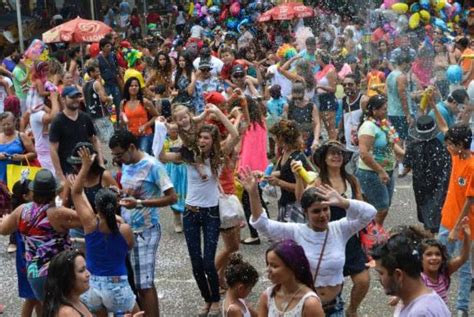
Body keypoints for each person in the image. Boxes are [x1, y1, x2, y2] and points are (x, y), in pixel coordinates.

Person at [238, 167, 376, 316]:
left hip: (335, 308)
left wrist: (343, 202)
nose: (323, 215)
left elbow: (370, 213)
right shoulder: (296, 231)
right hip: (305, 309)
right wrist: (253, 193)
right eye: (316, 211)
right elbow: (262, 224)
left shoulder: (340, 228)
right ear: (305, 212)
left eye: (326, 209)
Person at [160, 104, 239, 316]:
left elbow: (235, 133)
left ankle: (215, 298)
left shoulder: (219, 155)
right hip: (190, 213)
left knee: (208, 262)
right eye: (200, 138)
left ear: (213, 141)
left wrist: (217, 112)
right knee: (196, 264)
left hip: (212, 213)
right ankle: (208, 299)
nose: (202, 141)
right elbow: (162, 157)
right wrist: (161, 130)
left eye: (206, 138)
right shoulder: (188, 156)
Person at [294, 140, 369, 317]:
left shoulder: (351, 180)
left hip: (349, 235)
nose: (336, 156)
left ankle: (352, 309)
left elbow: (360, 205)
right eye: (332, 153)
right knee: (334, 281)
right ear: (324, 158)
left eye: (339, 153)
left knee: (363, 280)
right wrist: (298, 178)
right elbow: (302, 200)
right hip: (325, 235)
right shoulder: (318, 181)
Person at [109, 129, 177, 317]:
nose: (117, 159)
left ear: (131, 147)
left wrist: (139, 203)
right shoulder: (127, 164)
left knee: (144, 284)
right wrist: (121, 193)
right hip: (127, 231)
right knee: (133, 282)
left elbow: (172, 198)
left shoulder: (153, 166)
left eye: (119, 154)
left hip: (146, 231)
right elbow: (134, 192)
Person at [70, 146, 139, 315]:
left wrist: (85, 166)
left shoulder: (90, 225)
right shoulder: (125, 229)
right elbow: (128, 247)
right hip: (118, 285)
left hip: (93, 286)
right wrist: (119, 219)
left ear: (97, 207)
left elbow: (76, 192)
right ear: (116, 206)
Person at [0, 169, 82, 303]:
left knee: (48, 309)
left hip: (34, 274)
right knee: (65, 308)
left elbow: (3, 230)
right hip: (58, 270)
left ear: (33, 192)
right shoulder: (57, 213)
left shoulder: (22, 210)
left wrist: (5, 218)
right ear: (54, 192)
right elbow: (88, 220)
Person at [436, 124, 474, 317]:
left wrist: (456, 228)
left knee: (465, 266)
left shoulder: (472, 166)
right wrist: (433, 104)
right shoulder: (456, 155)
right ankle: (436, 297)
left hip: (466, 226)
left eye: (450, 144)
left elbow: (470, 200)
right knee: (437, 260)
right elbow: (443, 126)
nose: (447, 147)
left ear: (460, 144)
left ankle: (462, 307)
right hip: (447, 220)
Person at [371, 229, 450, 316]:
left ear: (398, 275)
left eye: (381, 273)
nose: (379, 279)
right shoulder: (415, 303)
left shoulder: (420, 313)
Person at [356, 94, 404, 227]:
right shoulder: (368, 127)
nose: (386, 111)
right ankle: (373, 238)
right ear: (374, 110)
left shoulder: (383, 124)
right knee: (381, 208)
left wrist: (406, 155)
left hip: (386, 171)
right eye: (383, 109)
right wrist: (380, 171)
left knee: (384, 206)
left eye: (386, 108)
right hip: (372, 173)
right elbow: (364, 154)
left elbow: (391, 145)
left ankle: (372, 232)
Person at [401, 115, 451, 235]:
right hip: (439, 186)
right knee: (437, 211)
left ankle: (430, 237)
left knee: (426, 212)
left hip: (421, 187)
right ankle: (436, 235)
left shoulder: (412, 147)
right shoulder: (442, 146)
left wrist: (402, 172)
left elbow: (406, 168)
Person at [49, 86, 102, 183]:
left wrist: (100, 162)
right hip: (70, 172)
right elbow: (53, 150)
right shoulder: (58, 122)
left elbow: (94, 139)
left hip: (89, 168)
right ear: (63, 99)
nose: (76, 100)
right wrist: (60, 176)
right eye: (72, 97)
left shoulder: (85, 117)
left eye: (77, 96)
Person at [259, 240, 324, 317]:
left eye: (274, 266)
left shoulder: (310, 304)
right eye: (268, 264)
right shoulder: (267, 296)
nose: (268, 270)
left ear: (292, 267)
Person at [267, 119, 312, 224]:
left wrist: (279, 182)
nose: (273, 139)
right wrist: (265, 175)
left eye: (275, 137)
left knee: (291, 239)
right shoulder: (285, 152)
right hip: (285, 202)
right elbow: (285, 172)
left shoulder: (297, 158)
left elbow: (304, 186)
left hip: (295, 206)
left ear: (281, 138)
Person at [420, 218, 471, 304]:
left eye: (437, 254)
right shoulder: (419, 278)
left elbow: (463, 257)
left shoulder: (444, 273)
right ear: (421, 258)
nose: (434, 257)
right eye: (429, 254)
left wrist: (466, 237)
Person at [11, 179, 41, 317]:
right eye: (32, 190)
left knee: (38, 297)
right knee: (32, 297)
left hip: (29, 258)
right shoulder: (22, 214)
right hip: (27, 260)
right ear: (25, 196)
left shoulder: (24, 211)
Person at [42, 250, 92, 317]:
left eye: (86, 268)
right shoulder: (67, 312)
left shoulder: (75, 302)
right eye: (81, 270)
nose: (88, 274)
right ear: (67, 277)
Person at [120, 77, 159, 154]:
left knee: (143, 156)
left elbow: (156, 116)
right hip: (131, 136)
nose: (134, 87)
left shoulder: (145, 102)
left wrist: (145, 125)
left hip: (145, 134)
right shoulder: (123, 103)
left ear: (139, 88)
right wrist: (122, 119)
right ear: (127, 88)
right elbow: (122, 123)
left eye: (136, 85)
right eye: (131, 86)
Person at [83, 65, 115, 146]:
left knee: (99, 140)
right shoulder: (96, 83)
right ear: (91, 73)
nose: (99, 73)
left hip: (91, 116)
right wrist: (110, 98)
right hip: (101, 115)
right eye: (97, 71)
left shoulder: (85, 85)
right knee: (110, 138)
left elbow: (84, 101)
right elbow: (103, 98)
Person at [222, 253, 259, 317]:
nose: (250, 292)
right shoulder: (234, 310)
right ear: (241, 288)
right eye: (250, 289)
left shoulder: (237, 300)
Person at [316, 50, 338, 140]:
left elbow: (333, 89)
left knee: (330, 128)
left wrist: (320, 86)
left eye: (317, 58)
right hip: (320, 99)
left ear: (321, 59)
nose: (316, 60)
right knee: (323, 126)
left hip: (328, 99)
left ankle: (334, 146)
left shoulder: (330, 70)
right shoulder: (319, 71)